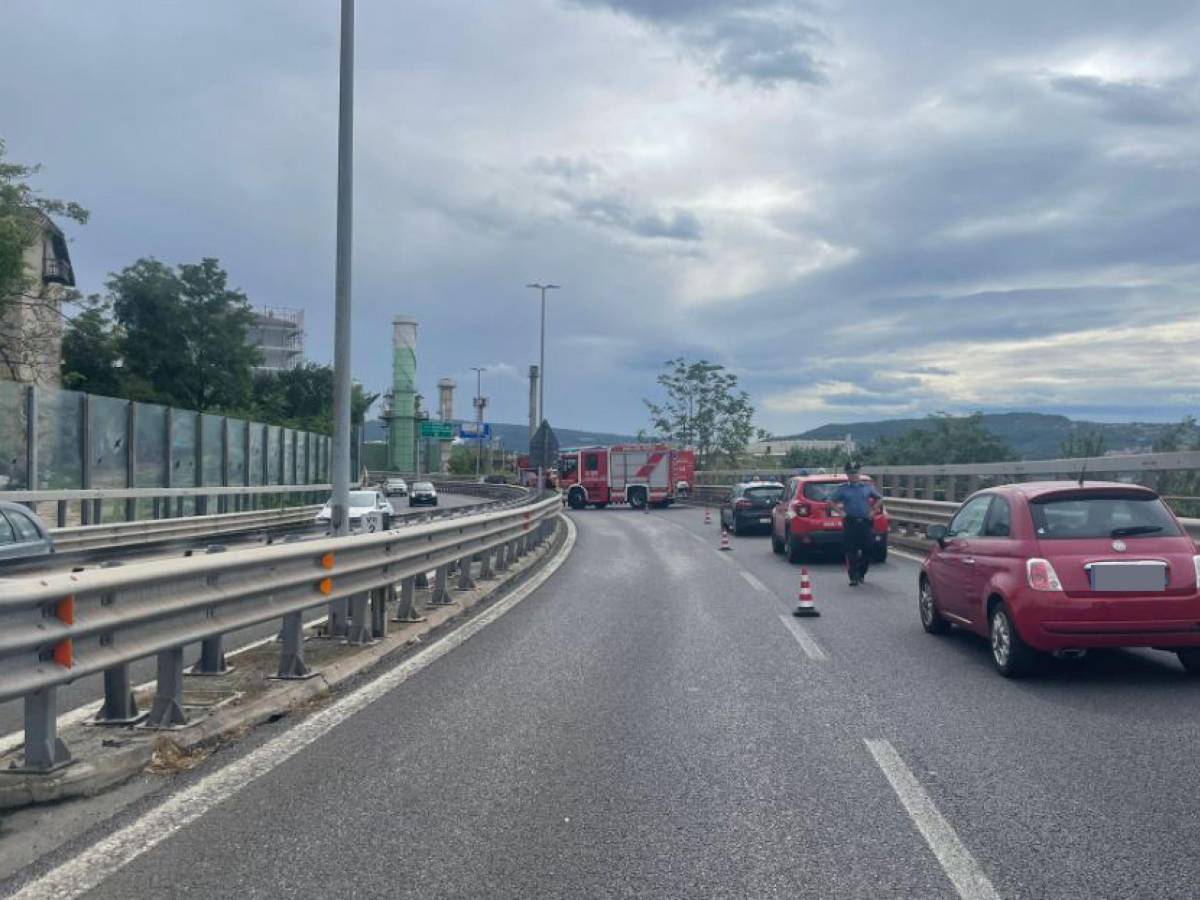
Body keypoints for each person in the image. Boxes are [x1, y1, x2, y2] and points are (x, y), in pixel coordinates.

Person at [829, 462, 883, 587]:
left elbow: (880, 498)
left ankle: (861, 573)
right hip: (850, 521)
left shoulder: (867, 487)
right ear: (847, 475)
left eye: (855, 473)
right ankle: (853, 577)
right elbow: (831, 501)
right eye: (851, 473)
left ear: (859, 473)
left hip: (865, 521)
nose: (854, 475)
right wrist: (841, 512)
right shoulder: (843, 488)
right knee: (851, 550)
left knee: (868, 548)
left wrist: (873, 510)